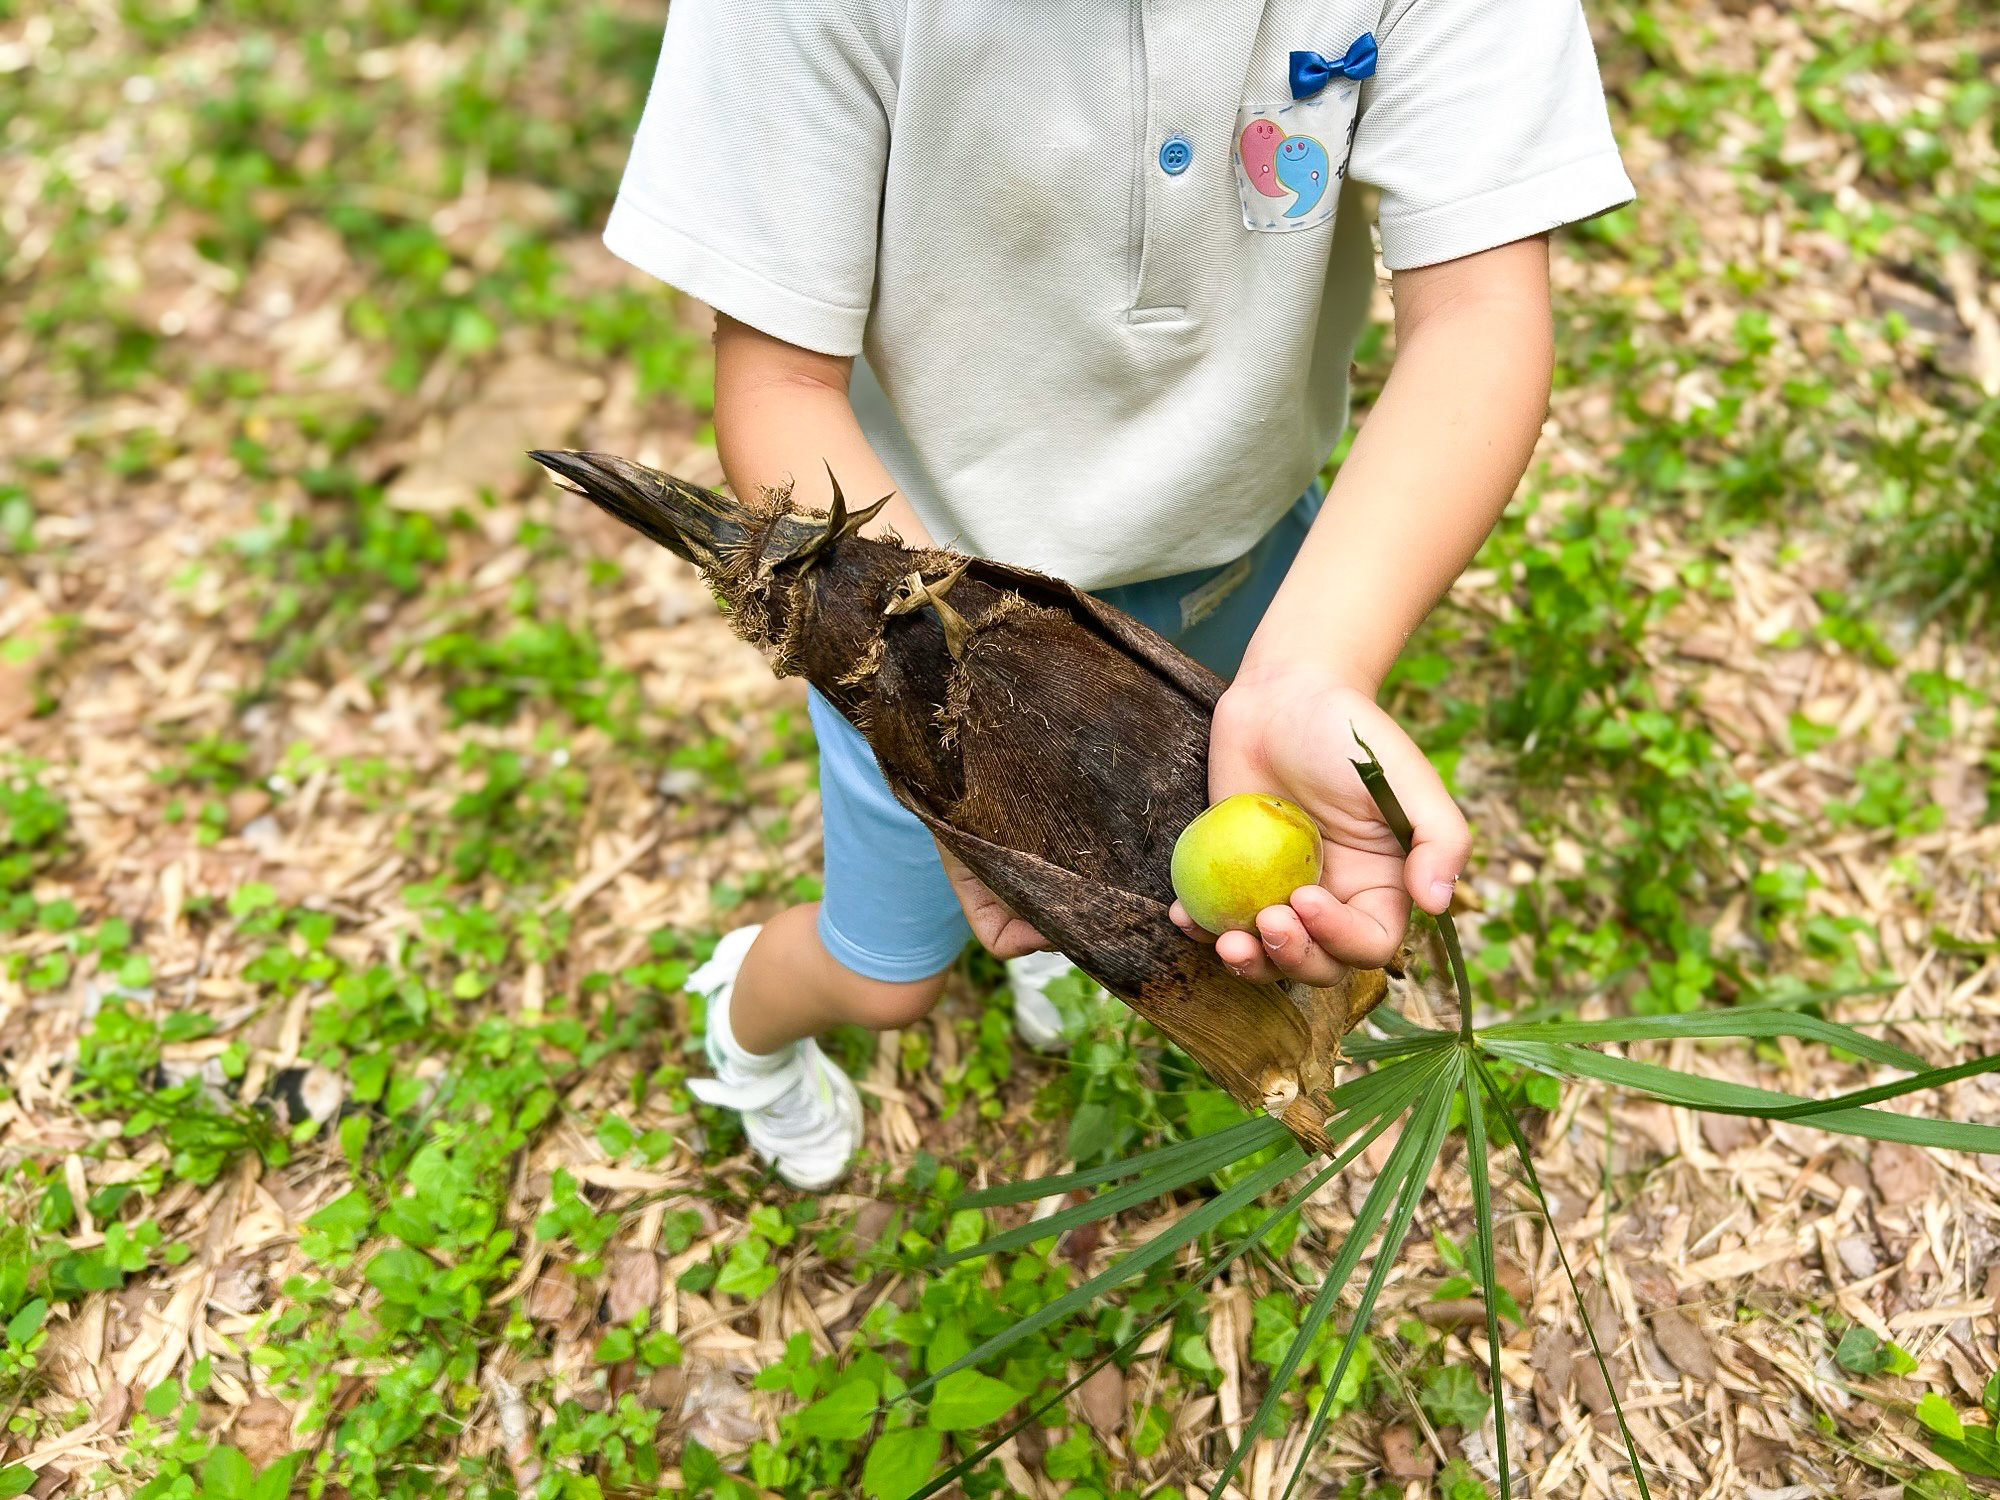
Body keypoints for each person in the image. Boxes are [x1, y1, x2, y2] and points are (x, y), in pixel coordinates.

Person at [601, 0, 1635, 1187]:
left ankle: (1056, 936)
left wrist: (1308, 669)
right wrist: (969, 716)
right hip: (930, 634)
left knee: (1148, 866)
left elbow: (1476, 313)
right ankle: (743, 1023)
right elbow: (779, 379)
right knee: (885, 979)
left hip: (1246, 567)